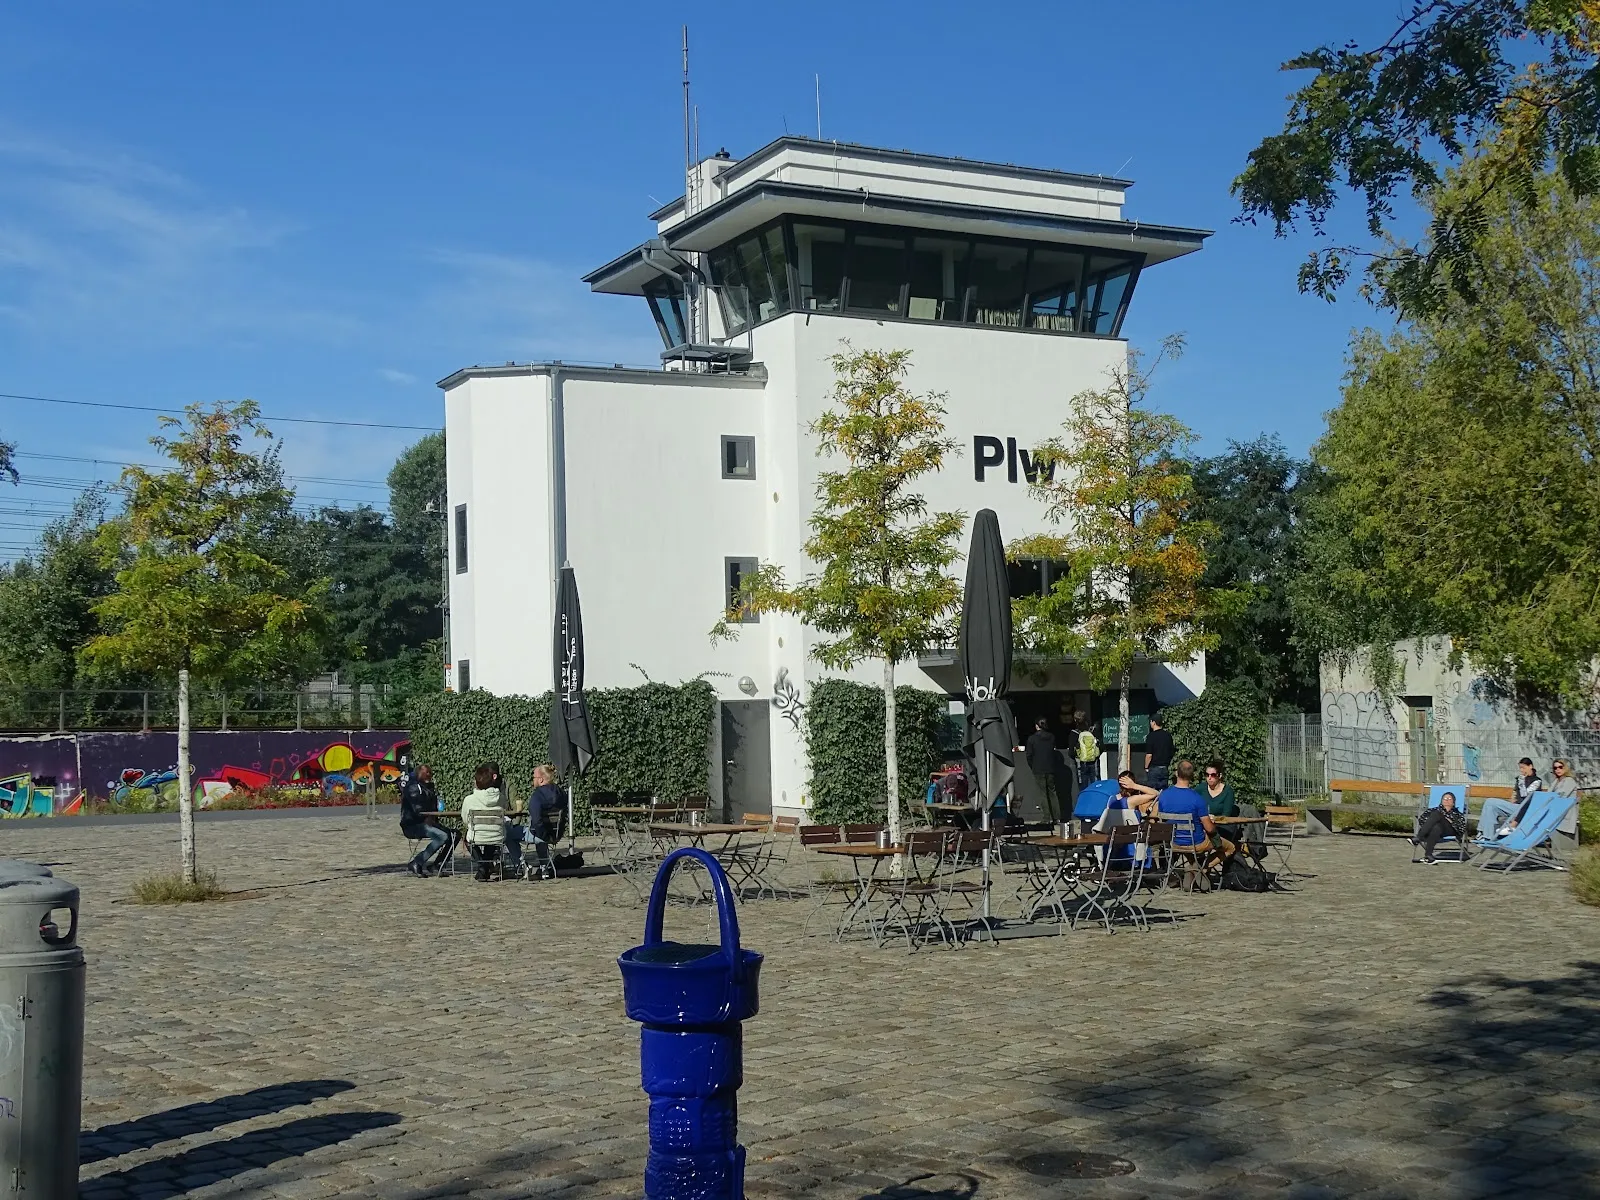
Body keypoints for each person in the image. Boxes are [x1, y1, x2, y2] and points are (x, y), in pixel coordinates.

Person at [1153, 760, 1229, 865]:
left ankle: (1195, 868)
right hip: (1195, 843)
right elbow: (1209, 829)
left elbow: (1159, 819)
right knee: (1230, 847)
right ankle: (1203, 868)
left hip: (1172, 842)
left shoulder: (1163, 796)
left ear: (1176, 773)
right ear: (1192, 776)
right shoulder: (1197, 799)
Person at [461, 764, 511, 881]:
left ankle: (483, 866)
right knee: (491, 836)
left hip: (476, 835)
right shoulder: (501, 798)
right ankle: (485, 866)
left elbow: (465, 820)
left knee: (467, 839)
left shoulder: (469, 799)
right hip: (497, 836)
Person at [400, 765, 449, 877]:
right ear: (418, 773)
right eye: (426, 772)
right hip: (413, 825)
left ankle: (437, 864)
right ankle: (417, 862)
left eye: (430, 773)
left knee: (454, 835)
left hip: (427, 822)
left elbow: (433, 807)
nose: (429, 775)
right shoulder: (413, 787)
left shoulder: (428, 788)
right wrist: (427, 817)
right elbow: (418, 809)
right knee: (442, 836)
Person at [1478, 758, 1541, 839]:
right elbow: (1515, 794)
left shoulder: (1536, 781)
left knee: (1490, 801)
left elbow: (1525, 796)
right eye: (1520, 768)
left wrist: (1522, 781)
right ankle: (1488, 836)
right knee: (1491, 808)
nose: (1521, 770)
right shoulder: (1520, 779)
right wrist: (1512, 799)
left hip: (1524, 809)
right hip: (1515, 807)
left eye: (1523, 768)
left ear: (1530, 766)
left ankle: (1481, 831)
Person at [1019, 718, 1064, 823]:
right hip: (1050, 768)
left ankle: (1046, 818)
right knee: (1053, 792)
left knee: (1043, 793)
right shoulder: (1051, 737)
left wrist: (1033, 766)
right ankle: (1057, 817)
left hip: (1038, 768)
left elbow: (1029, 755)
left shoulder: (1032, 739)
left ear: (1036, 726)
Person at [525, 764, 565, 880]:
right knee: (540, 828)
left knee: (510, 834)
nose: (533, 780)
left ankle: (521, 865)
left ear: (541, 779)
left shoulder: (537, 795)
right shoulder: (562, 793)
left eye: (534, 777)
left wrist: (544, 836)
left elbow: (537, 820)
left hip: (542, 835)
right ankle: (544, 867)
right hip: (557, 833)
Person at [1412, 790, 1467, 864]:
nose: (1447, 800)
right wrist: (1433, 823)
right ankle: (1428, 855)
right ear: (1441, 801)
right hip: (1435, 831)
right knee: (1436, 827)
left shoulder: (1457, 814)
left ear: (1453, 802)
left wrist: (1451, 821)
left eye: (1449, 799)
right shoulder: (1433, 810)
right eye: (1445, 799)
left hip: (1450, 830)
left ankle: (1418, 837)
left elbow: (1462, 828)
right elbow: (1422, 820)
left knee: (1437, 815)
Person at [1143, 715, 1174, 791]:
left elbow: (1149, 755)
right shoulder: (1168, 735)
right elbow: (1171, 751)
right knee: (1163, 791)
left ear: (1153, 722)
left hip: (1154, 768)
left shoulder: (1151, 736)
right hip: (1165, 768)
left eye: (1150, 721)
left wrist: (1146, 767)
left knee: (1152, 792)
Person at [1074, 716, 1100, 790]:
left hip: (1083, 762)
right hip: (1093, 761)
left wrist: (1078, 755)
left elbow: (1077, 748)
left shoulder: (1079, 734)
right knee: (1094, 782)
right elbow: (1097, 750)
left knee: (1083, 783)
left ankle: (1084, 795)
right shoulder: (1092, 734)